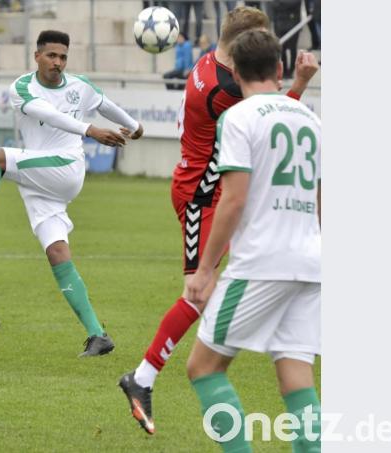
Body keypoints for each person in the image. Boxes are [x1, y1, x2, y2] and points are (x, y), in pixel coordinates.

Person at [118, 6, 318, 435]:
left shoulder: (214, 61)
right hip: (201, 196)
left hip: (211, 190)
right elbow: (271, 117)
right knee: (200, 291)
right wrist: (299, 84)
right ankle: (140, 378)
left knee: (206, 296)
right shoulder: (223, 90)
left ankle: (144, 377)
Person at [0, 30, 144, 357]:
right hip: (41, 179)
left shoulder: (80, 86)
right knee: (57, 253)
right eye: (51, 56)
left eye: (63, 57)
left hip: (66, 167)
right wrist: (90, 129)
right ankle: (97, 334)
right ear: (37, 56)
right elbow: (49, 114)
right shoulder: (22, 88)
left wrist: (134, 126)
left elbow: (107, 106)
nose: (58, 63)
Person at [185, 29, 321, 452]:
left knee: (203, 368)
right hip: (312, 261)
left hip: (263, 261)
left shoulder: (238, 117)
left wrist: (205, 269)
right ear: (279, 68)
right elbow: (321, 200)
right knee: (295, 376)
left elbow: (233, 199)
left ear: (236, 72)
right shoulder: (313, 120)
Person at [271, 0, 302, 79]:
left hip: (293, 24)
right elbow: (274, 4)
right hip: (279, 25)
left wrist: (281, 3)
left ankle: (291, 70)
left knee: (293, 48)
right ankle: (284, 70)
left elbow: (293, 3)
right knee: (282, 49)